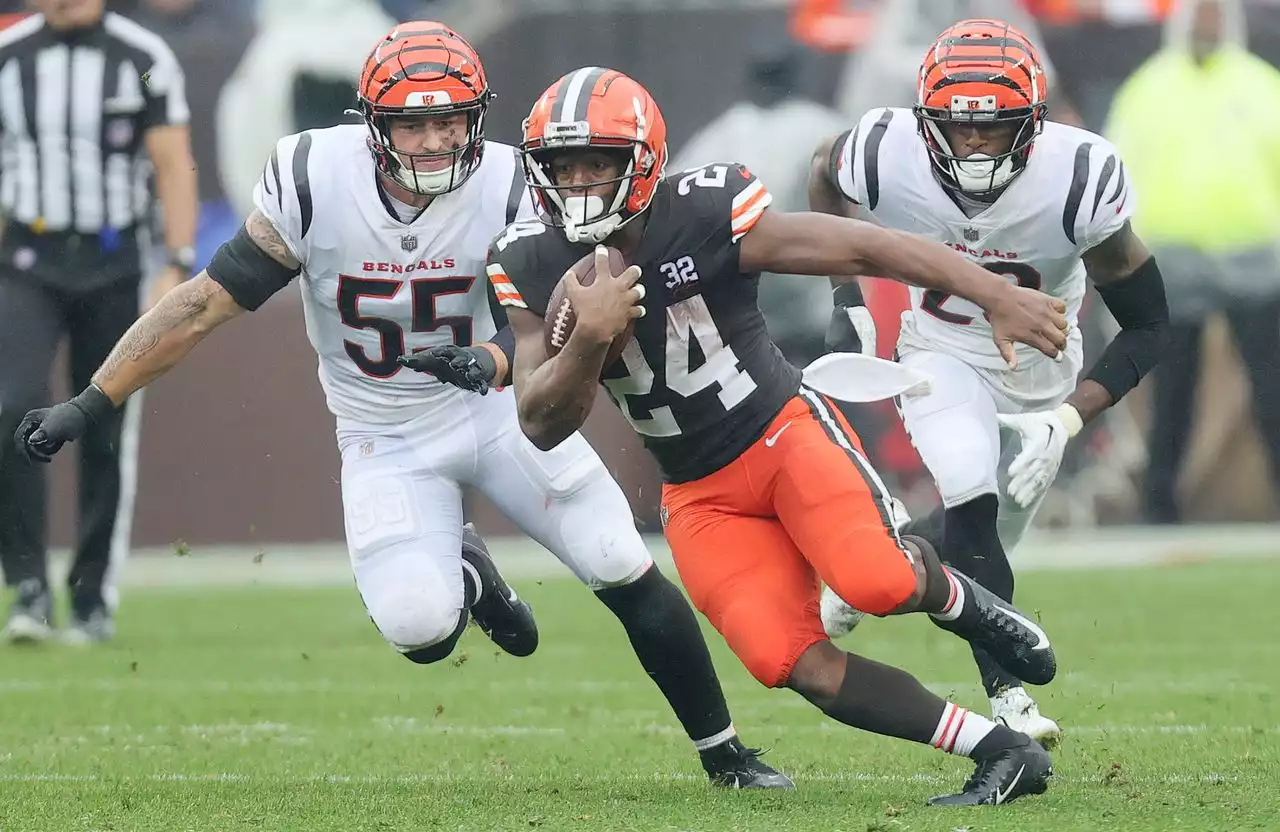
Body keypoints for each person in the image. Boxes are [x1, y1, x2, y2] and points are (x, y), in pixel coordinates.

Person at [11, 22, 792, 789]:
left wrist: (489, 360)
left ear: (476, 119)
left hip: (498, 412)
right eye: (411, 125)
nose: (431, 142)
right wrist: (92, 400)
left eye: (449, 122)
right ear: (372, 125)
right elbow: (204, 305)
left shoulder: (517, 181)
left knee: (620, 560)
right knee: (420, 628)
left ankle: (725, 754)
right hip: (383, 432)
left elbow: (562, 321)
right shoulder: (315, 178)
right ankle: (472, 577)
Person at [480, 66, 1070, 806]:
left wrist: (992, 294)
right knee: (787, 660)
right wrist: (589, 343)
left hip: (781, 434)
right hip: (698, 491)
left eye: (598, 162)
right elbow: (540, 421)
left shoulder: (704, 210)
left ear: (643, 161)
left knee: (878, 582)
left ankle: (964, 601)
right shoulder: (527, 257)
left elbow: (860, 248)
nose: (579, 184)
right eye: (561, 167)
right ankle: (1003, 753)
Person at [811, 19, 1169, 746]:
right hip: (940, 351)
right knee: (970, 490)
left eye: (995, 128)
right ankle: (1009, 700)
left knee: (983, 535)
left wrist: (1067, 420)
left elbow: (1149, 326)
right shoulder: (885, 151)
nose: (974, 144)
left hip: (1043, 375)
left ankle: (871, 565)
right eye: (958, 128)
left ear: (1033, 125)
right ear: (926, 123)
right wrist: (846, 297)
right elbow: (824, 176)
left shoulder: (1078, 179)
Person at [0, 0, 198, 644]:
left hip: (114, 265)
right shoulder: (7, 56)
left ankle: (91, 596)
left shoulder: (142, 61)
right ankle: (27, 586)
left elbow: (174, 164)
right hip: (26, 258)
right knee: (11, 406)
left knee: (103, 419)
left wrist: (177, 260)